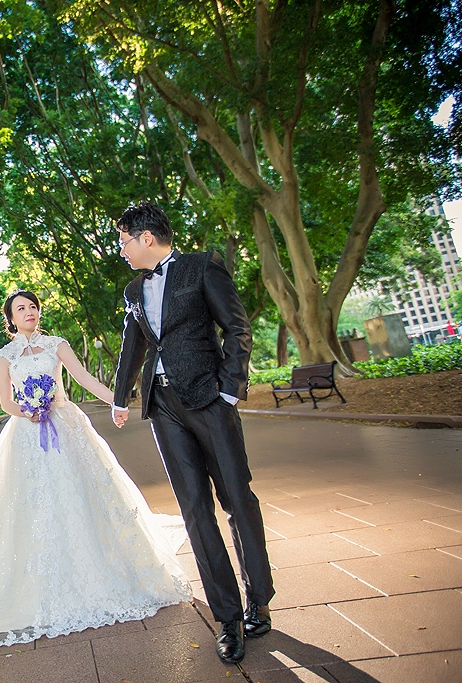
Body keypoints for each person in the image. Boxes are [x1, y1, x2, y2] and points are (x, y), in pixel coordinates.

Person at [0, 289, 192, 649]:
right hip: (26, 434)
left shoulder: (56, 345)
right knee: (32, 502)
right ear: (11, 319)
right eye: (21, 308)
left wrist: (117, 400)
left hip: (66, 425)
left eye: (33, 306)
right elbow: (5, 401)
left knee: (79, 492)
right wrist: (27, 410)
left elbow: (84, 378)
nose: (29, 311)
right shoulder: (4, 356)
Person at [111, 202, 274, 664]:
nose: (121, 251)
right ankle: (227, 617)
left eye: (124, 241)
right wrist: (121, 397)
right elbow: (133, 344)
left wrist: (230, 391)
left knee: (237, 499)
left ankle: (258, 599)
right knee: (196, 511)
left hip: (210, 400)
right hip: (164, 408)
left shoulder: (203, 266)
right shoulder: (133, 289)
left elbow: (237, 328)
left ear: (146, 238)